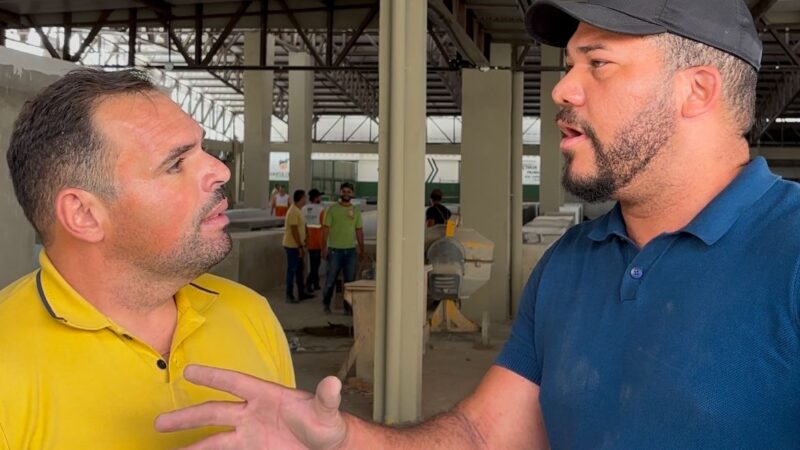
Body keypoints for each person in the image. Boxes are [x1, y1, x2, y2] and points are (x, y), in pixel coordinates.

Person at [155, 0, 800, 447]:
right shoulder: (574, 260)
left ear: (697, 90)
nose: (563, 90)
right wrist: (342, 438)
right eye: (569, 63)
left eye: (597, 63)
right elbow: (483, 434)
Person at [0, 69, 295, 449]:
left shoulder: (249, 314)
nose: (220, 171)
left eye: (203, 149)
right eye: (176, 164)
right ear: (84, 215)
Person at [320, 182, 364, 314]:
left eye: (348, 192)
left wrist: (362, 248)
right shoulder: (332, 209)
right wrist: (323, 248)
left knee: (349, 281)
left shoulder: (356, 211)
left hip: (350, 251)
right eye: (343, 191)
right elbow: (325, 230)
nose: (346, 194)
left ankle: (347, 307)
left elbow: (359, 231)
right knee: (330, 279)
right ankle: (326, 304)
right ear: (340, 193)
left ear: (352, 194)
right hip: (335, 251)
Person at [283, 189, 314, 303]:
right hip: (292, 246)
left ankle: (301, 292)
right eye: (304, 197)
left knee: (300, 270)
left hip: (298, 245)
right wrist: (300, 246)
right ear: (301, 198)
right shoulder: (293, 211)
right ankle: (289, 295)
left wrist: (305, 238)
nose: (306, 199)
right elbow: (294, 230)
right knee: (292, 270)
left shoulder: (298, 210)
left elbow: (302, 226)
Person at [303, 188, 326, 292]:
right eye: (319, 196)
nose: (321, 198)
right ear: (316, 198)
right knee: (315, 266)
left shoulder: (303, 209)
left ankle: (316, 284)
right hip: (317, 242)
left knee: (313, 264)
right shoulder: (321, 210)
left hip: (307, 241)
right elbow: (325, 226)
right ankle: (308, 284)